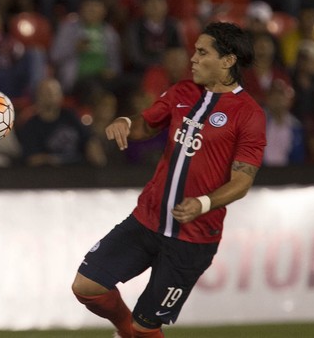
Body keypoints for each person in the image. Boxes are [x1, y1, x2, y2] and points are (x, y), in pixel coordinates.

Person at [71, 22, 266, 338]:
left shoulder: (249, 113)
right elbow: (145, 125)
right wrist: (124, 122)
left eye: (203, 52)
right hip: (146, 221)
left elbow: (242, 180)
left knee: (146, 326)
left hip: (192, 239)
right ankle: (124, 331)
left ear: (228, 60)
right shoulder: (182, 92)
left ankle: (133, 331)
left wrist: (203, 203)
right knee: (86, 287)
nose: (193, 59)